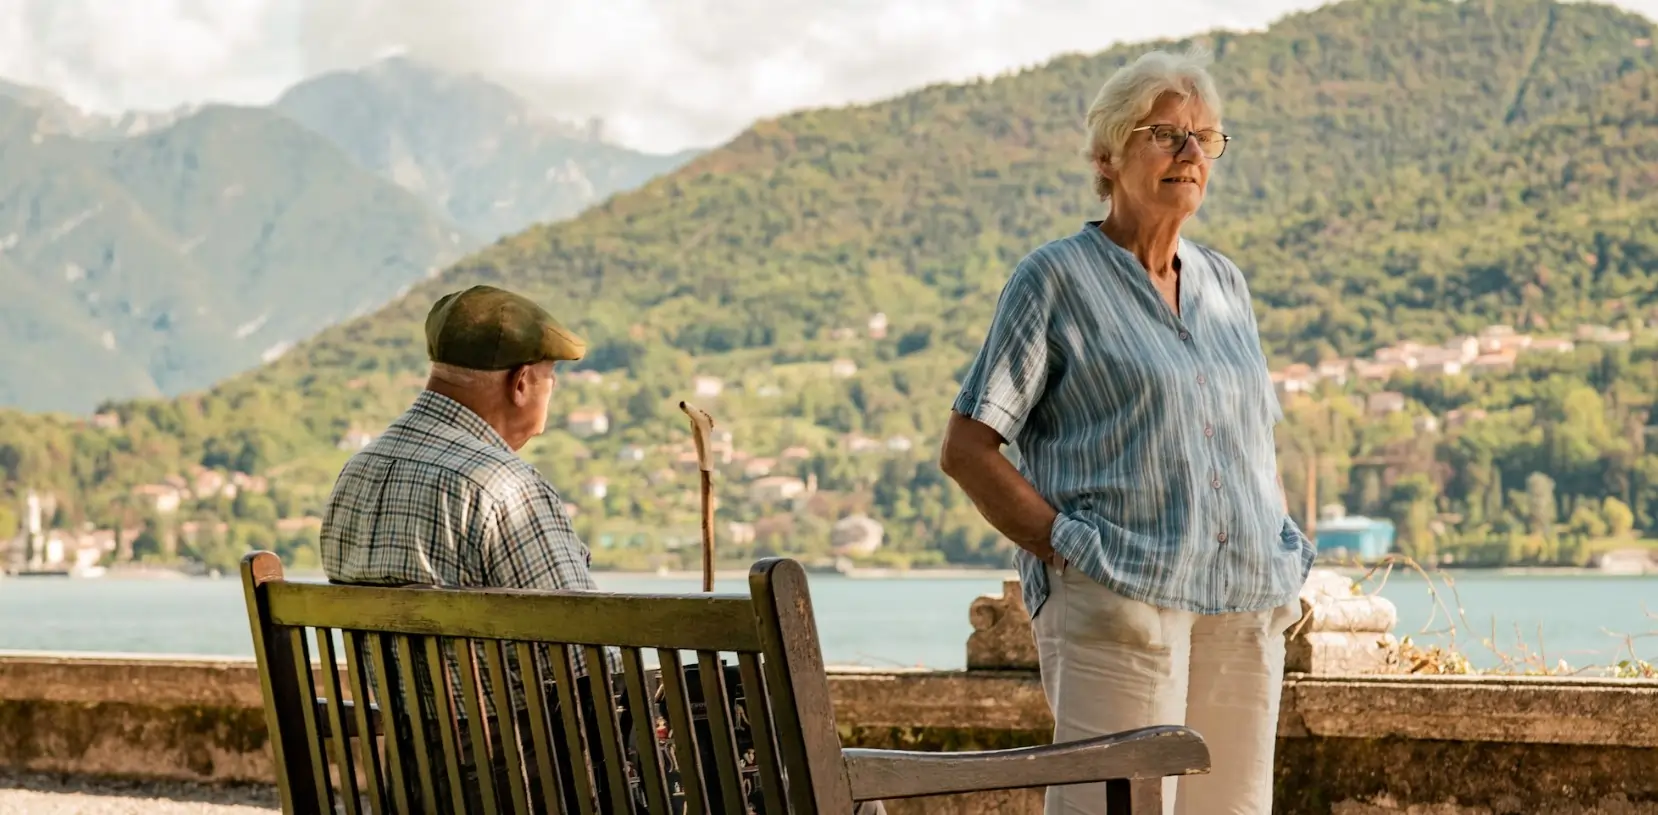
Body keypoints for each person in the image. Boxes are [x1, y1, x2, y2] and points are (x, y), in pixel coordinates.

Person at [939, 47, 1313, 815]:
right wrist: (1072, 549)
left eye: (1204, 137)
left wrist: (1280, 544)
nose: (1190, 153)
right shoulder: (1055, 279)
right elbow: (968, 448)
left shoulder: (1225, 285)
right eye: (1166, 133)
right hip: (1122, 600)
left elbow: (1250, 437)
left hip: (1242, 602)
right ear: (1106, 155)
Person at [320, 283, 609, 812]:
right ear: (521, 383)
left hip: (411, 783)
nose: (549, 396)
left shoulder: (353, 477)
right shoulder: (502, 485)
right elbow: (584, 661)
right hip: (520, 784)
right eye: (551, 381)